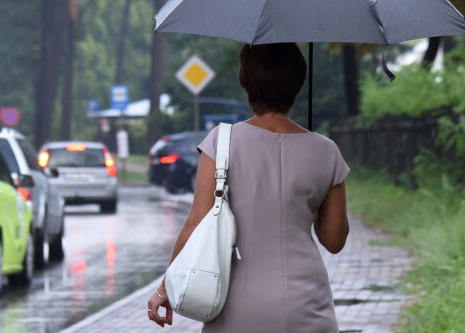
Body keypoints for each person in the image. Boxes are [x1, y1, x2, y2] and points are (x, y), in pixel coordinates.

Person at [148, 43, 349, 332]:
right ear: (298, 82)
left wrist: (165, 289)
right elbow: (334, 240)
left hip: (237, 306)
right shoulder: (326, 151)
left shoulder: (222, 141)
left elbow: (196, 224)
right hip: (308, 305)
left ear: (246, 81)